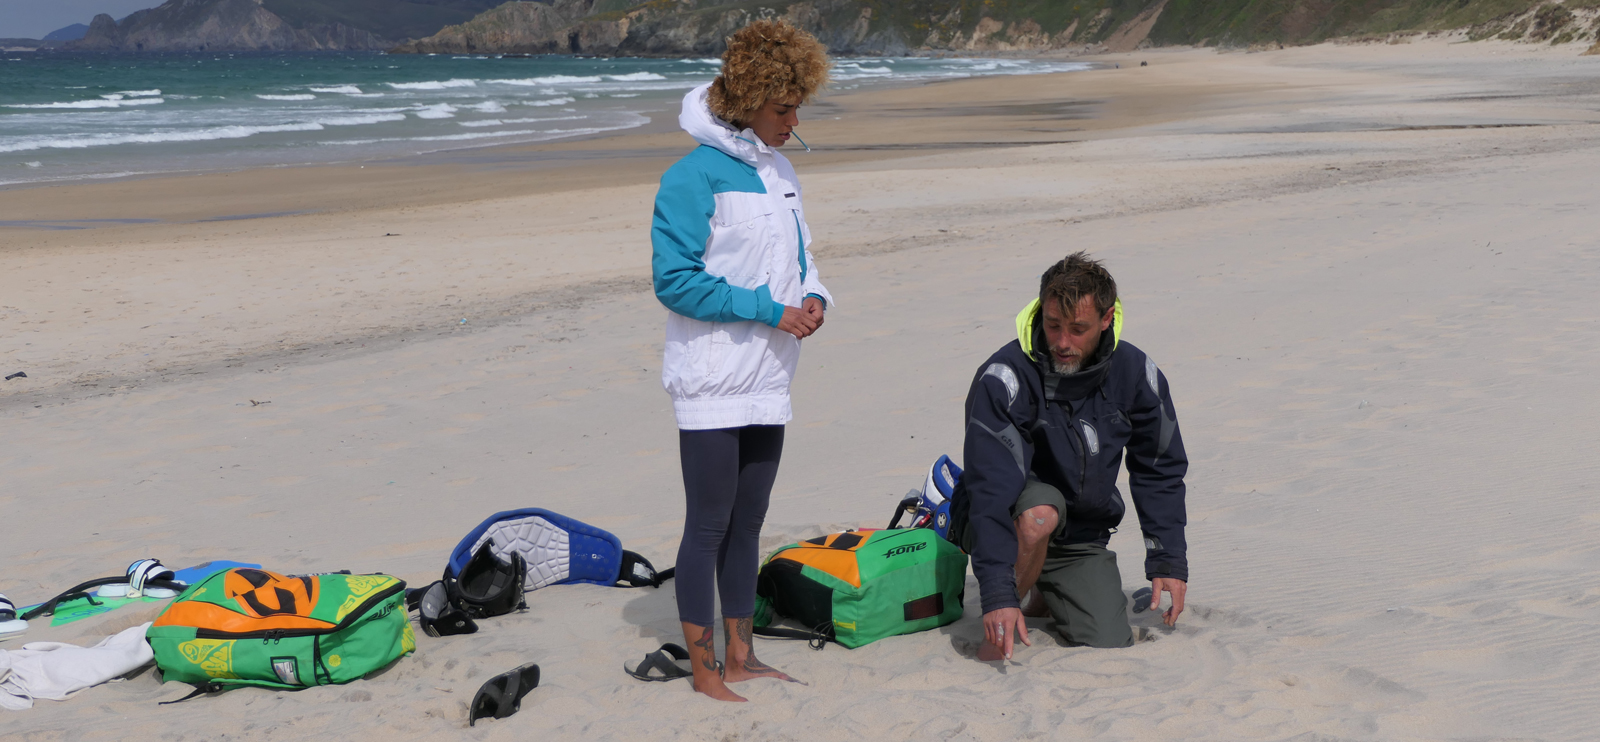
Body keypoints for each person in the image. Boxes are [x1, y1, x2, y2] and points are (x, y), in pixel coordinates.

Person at [650, 20, 832, 702]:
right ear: (752, 97)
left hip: (769, 376)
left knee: (749, 522)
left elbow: (804, 255)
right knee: (708, 524)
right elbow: (674, 280)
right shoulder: (690, 176)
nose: (793, 120)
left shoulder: (778, 171)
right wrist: (769, 308)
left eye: (797, 105)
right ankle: (704, 670)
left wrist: (814, 298)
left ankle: (742, 653)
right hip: (710, 379)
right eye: (783, 107)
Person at [949, 252, 1189, 660]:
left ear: (1106, 319)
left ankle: (1047, 588)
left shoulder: (1136, 372)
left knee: (1109, 639)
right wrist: (994, 594)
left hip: (1081, 534)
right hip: (1004, 518)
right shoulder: (1004, 377)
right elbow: (991, 490)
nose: (1062, 342)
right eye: (1053, 324)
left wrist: (1167, 557)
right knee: (1040, 512)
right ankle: (998, 634)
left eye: (1078, 329)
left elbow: (1159, 468)